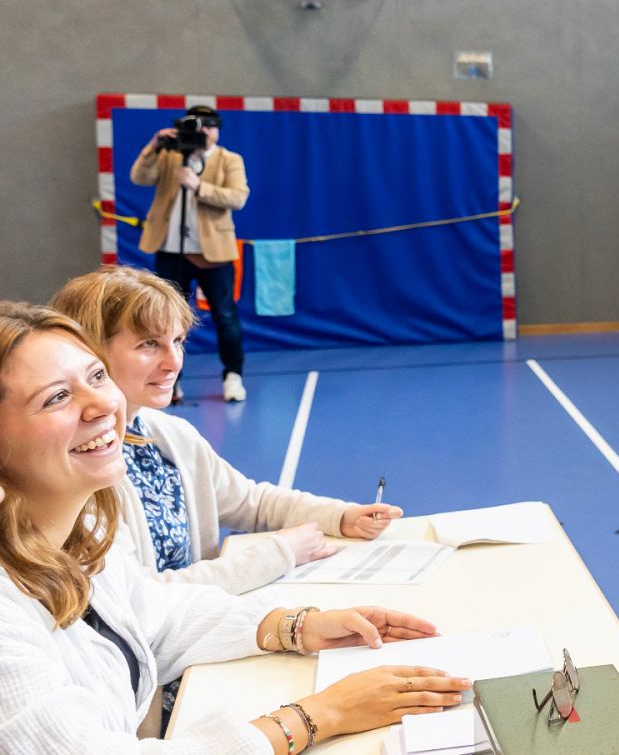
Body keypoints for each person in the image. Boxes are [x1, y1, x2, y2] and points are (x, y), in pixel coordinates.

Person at [0, 300, 469, 752]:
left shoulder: (76, 538)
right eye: (56, 397)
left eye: (96, 376)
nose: (101, 405)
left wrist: (297, 625)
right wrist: (320, 715)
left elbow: (159, 617)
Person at [51, 265, 403, 596]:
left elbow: (251, 502)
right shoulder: (83, 469)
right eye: (149, 344)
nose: (174, 362)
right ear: (90, 353)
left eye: (178, 341)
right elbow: (143, 598)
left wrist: (340, 517)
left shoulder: (171, 434)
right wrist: (280, 553)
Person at [131, 104, 249, 403]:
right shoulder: (170, 155)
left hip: (214, 253)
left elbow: (238, 197)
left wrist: (199, 187)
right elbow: (140, 177)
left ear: (217, 130)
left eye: (209, 126)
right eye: (196, 125)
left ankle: (233, 375)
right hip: (172, 251)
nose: (203, 131)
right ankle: (171, 382)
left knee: (225, 316)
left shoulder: (229, 159)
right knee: (166, 321)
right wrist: (154, 146)